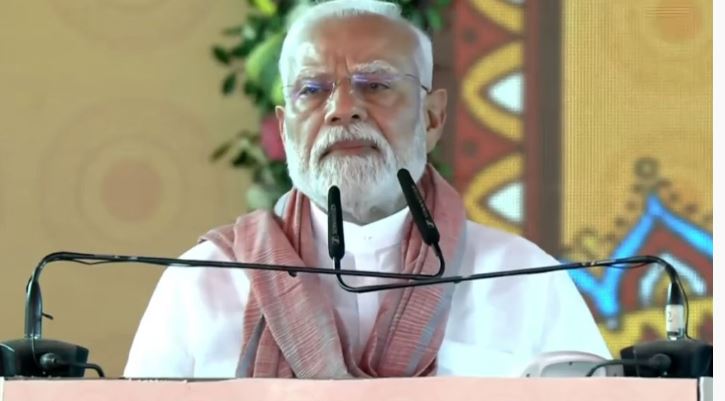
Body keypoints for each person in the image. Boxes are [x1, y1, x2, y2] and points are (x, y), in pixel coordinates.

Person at [124, 0, 610, 379]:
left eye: (375, 84)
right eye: (312, 90)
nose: (343, 109)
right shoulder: (203, 282)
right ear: (285, 128)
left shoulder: (522, 279)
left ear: (433, 117)